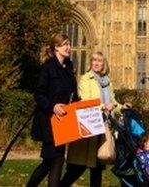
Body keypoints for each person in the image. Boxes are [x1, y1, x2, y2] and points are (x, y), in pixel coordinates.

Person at [60, 51, 122, 187]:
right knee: (76, 169)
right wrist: (104, 106)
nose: (96, 63)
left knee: (97, 170)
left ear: (103, 64)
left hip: (102, 130)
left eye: (99, 61)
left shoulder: (107, 82)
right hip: (88, 129)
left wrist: (121, 107)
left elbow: (113, 101)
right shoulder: (85, 79)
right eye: (94, 60)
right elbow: (85, 101)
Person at [27, 34, 77, 187]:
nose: (68, 47)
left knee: (51, 162)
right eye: (65, 44)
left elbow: (74, 94)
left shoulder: (68, 68)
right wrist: (53, 107)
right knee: (55, 161)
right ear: (56, 47)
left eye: (69, 44)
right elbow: (39, 94)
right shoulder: (48, 68)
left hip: (63, 123)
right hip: (49, 123)